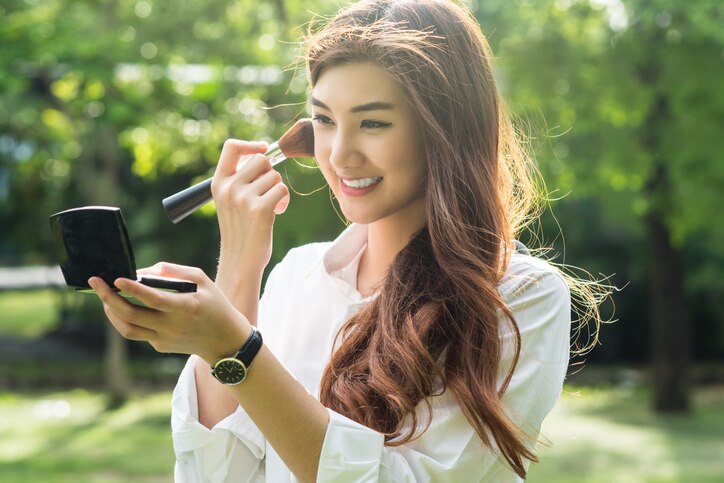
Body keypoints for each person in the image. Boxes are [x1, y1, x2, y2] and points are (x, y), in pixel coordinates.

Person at [90, 0, 605, 481]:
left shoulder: (520, 296)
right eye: (324, 121)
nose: (339, 155)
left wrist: (238, 350)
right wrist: (241, 269)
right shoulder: (298, 276)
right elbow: (217, 474)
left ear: (444, 130)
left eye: (373, 122)